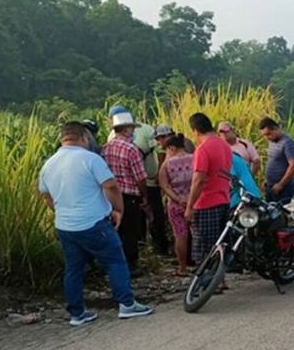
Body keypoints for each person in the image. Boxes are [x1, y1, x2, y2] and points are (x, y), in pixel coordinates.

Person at [38, 122, 153, 326]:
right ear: (84, 138)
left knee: (73, 269)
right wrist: (118, 210)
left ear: (62, 138)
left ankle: (77, 313)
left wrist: (60, 211)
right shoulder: (90, 159)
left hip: (65, 226)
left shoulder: (49, 164)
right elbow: (110, 186)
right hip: (93, 223)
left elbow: (46, 195)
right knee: (115, 260)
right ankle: (126, 304)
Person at [101, 109, 149, 278]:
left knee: (115, 231)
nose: (133, 131)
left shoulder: (105, 148)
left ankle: (114, 265)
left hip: (109, 196)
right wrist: (144, 197)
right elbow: (140, 178)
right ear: (126, 128)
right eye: (131, 128)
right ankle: (130, 266)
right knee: (130, 232)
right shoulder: (131, 149)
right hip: (129, 196)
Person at [185, 113, 233, 270]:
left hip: (206, 203)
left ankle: (207, 281)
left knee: (204, 245)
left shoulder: (203, 149)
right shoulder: (225, 146)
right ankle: (220, 279)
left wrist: (190, 206)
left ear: (196, 131)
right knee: (220, 242)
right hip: (224, 199)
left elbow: (198, 179)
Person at [158, 134, 194, 276]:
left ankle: (183, 267)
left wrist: (178, 199)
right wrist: (190, 199)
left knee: (180, 235)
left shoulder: (167, 164)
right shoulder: (195, 159)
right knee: (197, 235)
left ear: (171, 148)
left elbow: (164, 186)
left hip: (176, 205)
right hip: (195, 203)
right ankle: (202, 264)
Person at [260, 117, 294, 203]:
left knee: (283, 214)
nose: (267, 137)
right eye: (265, 135)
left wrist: (281, 184)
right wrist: (266, 181)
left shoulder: (287, 142)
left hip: (284, 189)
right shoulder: (272, 142)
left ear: (276, 128)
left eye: (268, 134)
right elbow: (273, 161)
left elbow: (293, 165)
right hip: (270, 186)